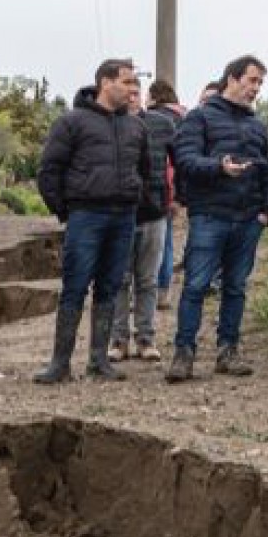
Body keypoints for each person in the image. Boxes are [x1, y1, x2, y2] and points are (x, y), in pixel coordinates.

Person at [33, 58, 160, 384]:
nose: (134, 89)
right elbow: (49, 171)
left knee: (111, 286)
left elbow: (146, 174)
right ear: (106, 82)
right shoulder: (72, 122)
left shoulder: (136, 127)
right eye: (128, 82)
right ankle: (60, 364)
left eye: (135, 84)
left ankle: (98, 360)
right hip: (86, 217)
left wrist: (139, 202)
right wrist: (67, 210)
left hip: (123, 218)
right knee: (74, 286)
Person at [167, 55, 268, 382]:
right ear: (232, 78)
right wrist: (219, 167)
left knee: (235, 287)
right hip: (210, 216)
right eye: (252, 80)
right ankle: (183, 354)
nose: (256, 88)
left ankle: (228, 352)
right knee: (196, 286)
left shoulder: (258, 125)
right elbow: (185, 160)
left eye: (260, 83)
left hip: (248, 219)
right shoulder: (199, 118)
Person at [110, 83, 176, 363]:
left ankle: (146, 339)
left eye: (137, 92)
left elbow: (179, 160)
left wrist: (177, 196)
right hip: (118, 215)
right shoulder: (108, 125)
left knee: (147, 280)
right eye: (128, 91)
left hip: (154, 214)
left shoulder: (162, 124)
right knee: (119, 281)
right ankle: (118, 340)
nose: (133, 97)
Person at [147, 80, 187, 313]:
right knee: (167, 240)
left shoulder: (154, 119)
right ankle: (164, 292)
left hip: (157, 186)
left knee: (147, 246)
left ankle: (148, 292)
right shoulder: (184, 117)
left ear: (154, 96)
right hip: (172, 189)